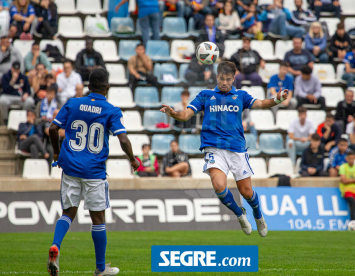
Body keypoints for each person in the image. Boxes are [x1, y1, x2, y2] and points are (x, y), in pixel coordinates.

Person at [160, 60, 289, 237]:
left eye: (228, 79)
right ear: (217, 76)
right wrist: (173, 113)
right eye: (222, 79)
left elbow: (261, 104)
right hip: (214, 148)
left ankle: (258, 215)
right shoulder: (205, 95)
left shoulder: (241, 96)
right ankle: (239, 214)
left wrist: (278, 99)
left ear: (234, 78)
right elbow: (186, 115)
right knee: (219, 186)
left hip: (236, 149)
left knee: (247, 192)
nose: (225, 83)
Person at [47, 68, 140, 276]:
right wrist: (132, 160)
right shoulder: (111, 110)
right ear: (107, 87)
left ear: (89, 86)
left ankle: (55, 246)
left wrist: (56, 153)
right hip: (94, 172)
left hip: (70, 167)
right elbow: (123, 139)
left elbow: (52, 129)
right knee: (97, 219)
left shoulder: (73, 103)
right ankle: (100, 269)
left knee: (68, 213)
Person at [339, 151, 355, 230]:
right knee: (352, 201)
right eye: (349, 158)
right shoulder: (343, 167)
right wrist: (354, 180)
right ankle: (352, 222)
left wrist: (349, 180)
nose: (351, 160)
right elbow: (343, 180)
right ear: (346, 159)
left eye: (353, 158)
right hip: (347, 190)